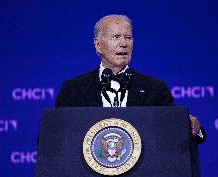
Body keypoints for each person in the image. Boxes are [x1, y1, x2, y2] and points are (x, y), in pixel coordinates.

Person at [55, 14, 206, 144]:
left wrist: (194, 129)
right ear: (98, 45)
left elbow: (175, 131)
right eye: (116, 37)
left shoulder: (154, 88)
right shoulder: (73, 89)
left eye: (128, 37)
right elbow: (52, 138)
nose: (124, 44)